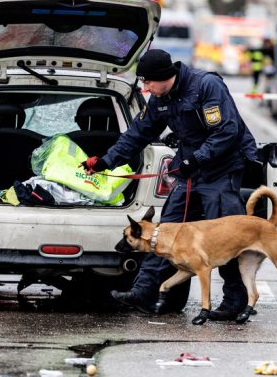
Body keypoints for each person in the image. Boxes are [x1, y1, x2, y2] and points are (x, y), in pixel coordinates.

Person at [80, 49, 258, 319]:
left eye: (148, 82)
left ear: (165, 77)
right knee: (161, 233)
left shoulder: (205, 86)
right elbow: (138, 133)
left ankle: (234, 302)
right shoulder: (160, 98)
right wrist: (106, 162)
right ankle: (143, 292)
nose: (145, 88)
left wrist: (196, 159)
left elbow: (227, 131)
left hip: (221, 171)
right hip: (190, 172)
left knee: (224, 239)